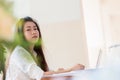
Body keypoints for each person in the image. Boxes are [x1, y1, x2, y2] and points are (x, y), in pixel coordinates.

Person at [5, 16, 85, 80]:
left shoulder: (34, 53)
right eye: (28, 29)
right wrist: (71, 70)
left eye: (35, 28)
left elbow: (47, 74)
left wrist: (60, 72)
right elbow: (42, 76)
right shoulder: (19, 52)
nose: (34, 32)